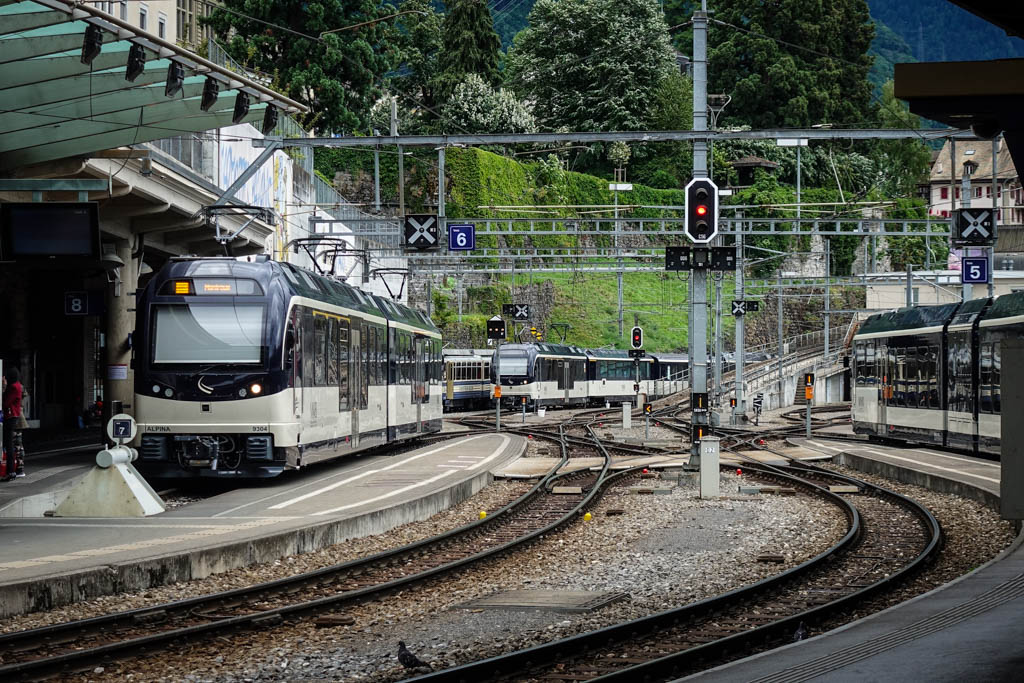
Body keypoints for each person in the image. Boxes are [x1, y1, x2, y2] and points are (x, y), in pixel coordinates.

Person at [3, 367, 25, 480]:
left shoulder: (13, 387)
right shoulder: (18, 385)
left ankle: (11, 471)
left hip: (10, 417)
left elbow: (6, 402)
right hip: (14, 416)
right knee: (13, 444)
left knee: (9, 445)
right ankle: (13, 470)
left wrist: (4, 389)